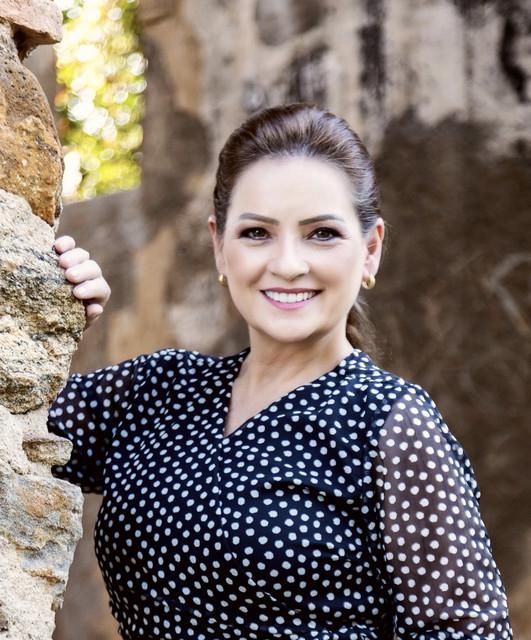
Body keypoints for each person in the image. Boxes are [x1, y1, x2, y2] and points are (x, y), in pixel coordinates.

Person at [48, 103, 513, 640]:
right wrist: (56, 313)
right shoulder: (156, 390)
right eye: (257, 233)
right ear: (220, 246)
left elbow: (466, 631)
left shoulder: (389, 424)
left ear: (370, 250)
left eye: (322, 233)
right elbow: (15, 418)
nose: (288, 264)